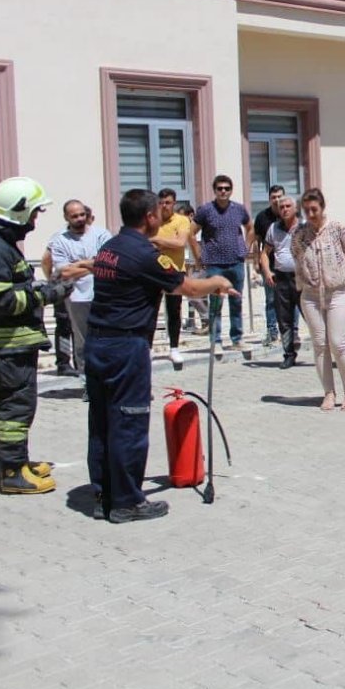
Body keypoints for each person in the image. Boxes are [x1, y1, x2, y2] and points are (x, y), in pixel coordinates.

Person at [86, 189, 232, 522]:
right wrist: (218, 281)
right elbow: (188, 288)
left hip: (98, 344)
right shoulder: (143, 254)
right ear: (150, 217)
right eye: (158, 213)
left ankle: (104, 494)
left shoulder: (109, 248)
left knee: (102, 422)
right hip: (126, 347)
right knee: (128, 422)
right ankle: (126, 502)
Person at [0, 177, 74, 494]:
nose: (35, 219)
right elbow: (1, 301)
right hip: (11, 343)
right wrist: (48, 295)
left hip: (18, 341)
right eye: (33, 212)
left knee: (17, 405)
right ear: (18, 211)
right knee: (16, 407)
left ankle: (15, 461)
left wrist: (40, 289)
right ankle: (12, 472)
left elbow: (12, 289)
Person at [291, 189, 345, 412]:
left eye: (315, 209)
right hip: (310, 295)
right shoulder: (299, 234)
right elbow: (297, 261)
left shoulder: (338, 229)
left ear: (322, 207)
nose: (311, 214)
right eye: (307, 210)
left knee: (338, 342)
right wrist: (302, 285)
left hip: (337, 291)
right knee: (320, 345)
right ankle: (329, 392)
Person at [47, 199, 112, 375]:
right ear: (66, 217)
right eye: (74, 216)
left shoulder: (101, 235)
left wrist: (79, 264)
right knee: (82, 341)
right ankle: (87, 382)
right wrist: (92, 265)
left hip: (102, 295)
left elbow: (108, 263)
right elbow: (65, 273)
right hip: (76, 299)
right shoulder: (60, 240)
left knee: (106, 339)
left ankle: (107, 380)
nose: (80, 218)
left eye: (82, 214)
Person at [193, 175, 253, 350]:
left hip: (236, 262)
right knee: (216, 303)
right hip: (214, 264)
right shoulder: (205, 210)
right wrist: (198, 258)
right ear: (215, 190)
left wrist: (246, 248)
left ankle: (236, 338)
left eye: (226, 188)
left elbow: (250, 227)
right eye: (220, 188)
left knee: (236, 301)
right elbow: (191, 233)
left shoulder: (239, 209)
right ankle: (215, 341)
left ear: (231, 190)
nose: (223, 191)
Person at [260, 196, 303, 370]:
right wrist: (267, 271)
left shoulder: (305, 227)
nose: (284, 209)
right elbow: (264, 253)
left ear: (295, 208)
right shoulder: (273, 228)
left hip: (302, 279)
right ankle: (289, 354)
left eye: (288, 206)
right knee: (283, 320)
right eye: (281, 207)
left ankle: (326, 353)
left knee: (313, 318)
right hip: (282, 279)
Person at [151, 189, 191, 364]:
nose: (164, 206)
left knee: (174, 310)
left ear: (174, 203)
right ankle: (148, 348)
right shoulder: (153, 221)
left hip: (175, 270)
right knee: (150, 311)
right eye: (161, 203)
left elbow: (180, 243)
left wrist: (158, 242)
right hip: (153, 270)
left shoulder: (182, 220)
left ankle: (174, 348)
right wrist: (166, 243)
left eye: (168, 202)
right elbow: (145, 242)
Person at [253, 185, 286, 346]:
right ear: (269, 199)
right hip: (269, 265)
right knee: (271, 300)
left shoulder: (290, 214)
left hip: (287, 266)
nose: (277, 200)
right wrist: (256, 261)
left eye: (280, 196)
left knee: (289, 300)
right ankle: (272, 332)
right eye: (274, 197)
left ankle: (289, 332)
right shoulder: (262, 217)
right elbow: (257, 241)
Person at [39, 244, 75, 375]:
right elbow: (45, 261)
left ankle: (72, 363)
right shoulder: (59, 238)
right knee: (65, 326)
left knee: (72, 327)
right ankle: (64, 363)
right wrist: (52, 282)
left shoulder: (96, 235)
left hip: (83, 290)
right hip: (65, 288)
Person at [176, 203, 209, 335]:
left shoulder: (198, 231)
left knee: (192, 293)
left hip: (202, 266)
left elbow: (200, 250)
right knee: (199, 296)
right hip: (191, 266)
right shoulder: (184, 231)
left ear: (191, 215)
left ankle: (208, 320)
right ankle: (201, 323)